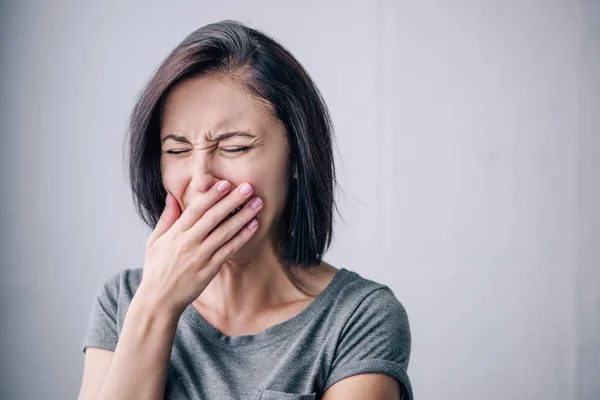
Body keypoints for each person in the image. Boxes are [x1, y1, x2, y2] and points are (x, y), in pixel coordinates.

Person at [78, 20, 413, 400]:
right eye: (177, 150)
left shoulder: (359, 317)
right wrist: (155, 306)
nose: (201, 180)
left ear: (298, 158)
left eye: (234, 148)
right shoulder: (124, 300)